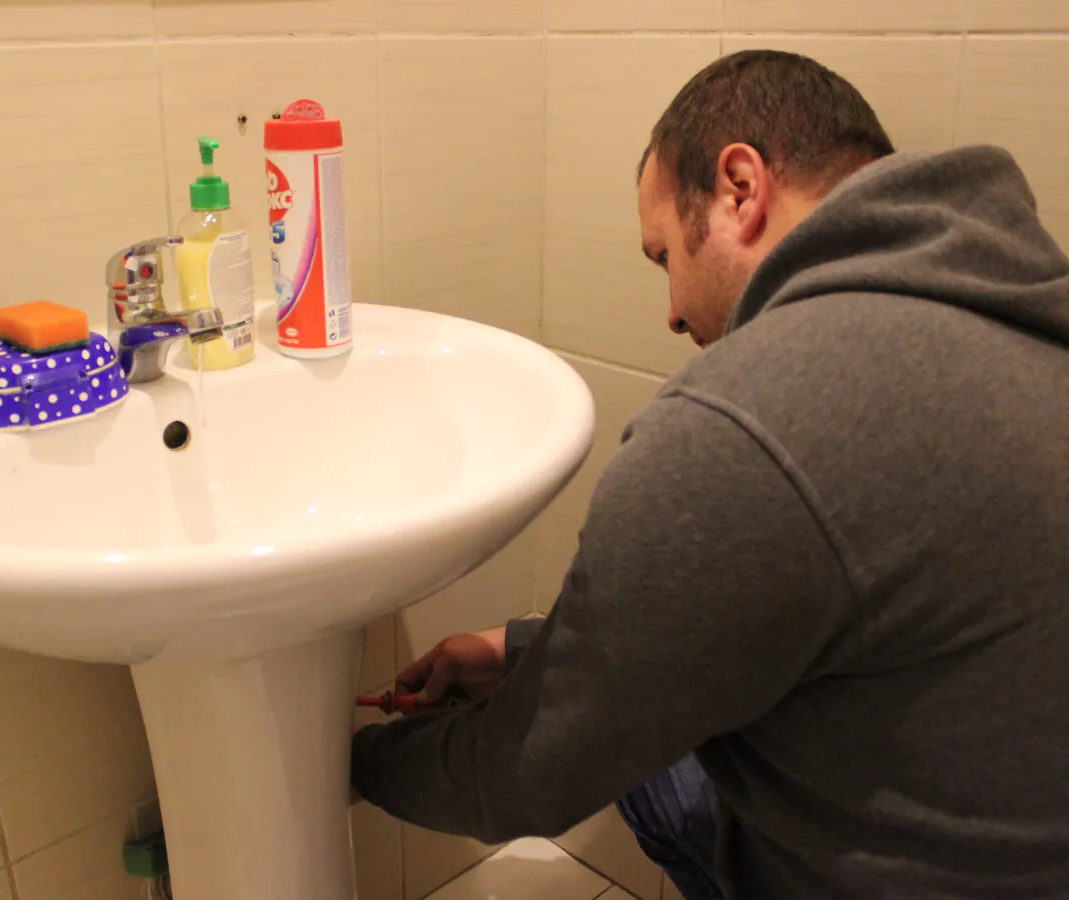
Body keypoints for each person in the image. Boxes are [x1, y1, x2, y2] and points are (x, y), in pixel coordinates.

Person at [351, 49, 1069, 899]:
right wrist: (522, 651)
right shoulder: (1015, 305)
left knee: (642, 763)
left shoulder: (745, 424)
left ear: (739, 188)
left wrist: (345, 764)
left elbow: (523, 779)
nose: (671, 313)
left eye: (663, 256)